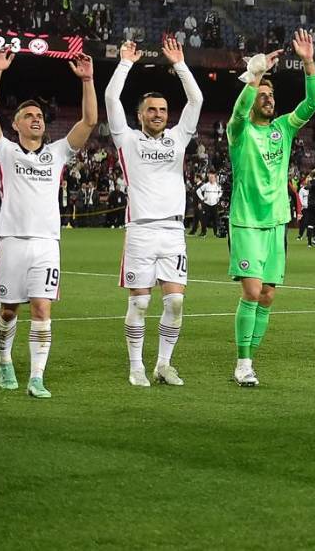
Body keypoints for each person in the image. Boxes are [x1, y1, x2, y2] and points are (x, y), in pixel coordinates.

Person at [0, 48, 97, 398]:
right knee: (8, 310)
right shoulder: (5, 151)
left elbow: (89, 122)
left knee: (42, 307)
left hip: (47, 243)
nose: (36, 119)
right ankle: (4, 361)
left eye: (40, 116)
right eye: (28, 115)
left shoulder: (57, 152)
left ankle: (36, 376)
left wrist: (89, 80)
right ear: (14, 124)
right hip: (12, 240)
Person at [106, 37, 203, 387]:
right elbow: (110, 99)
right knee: (141, 304)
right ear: (140, 115)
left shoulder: (178, 139)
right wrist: (125, 63)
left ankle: (163, 364)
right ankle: (136, 367)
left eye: (162, 110)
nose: (158, 114)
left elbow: (197, 100)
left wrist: (180, 64)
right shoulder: (127, 140)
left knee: (175, 301)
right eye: (152, 110)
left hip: (174, 232)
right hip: (141, 231)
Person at [228, 30, 315, 388]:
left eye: (270, 94)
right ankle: (243, 361)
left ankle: (251, 356)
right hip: (247, 222)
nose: (268, 99)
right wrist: (253, 78)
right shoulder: (238, 132)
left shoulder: (283, 128)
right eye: (262, 96)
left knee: (268, 295)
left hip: (277, 223)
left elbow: (312, 103)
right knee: (251, 292)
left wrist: (309, 63)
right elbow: (239, 109)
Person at [193, 172, 223, 237]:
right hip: (207, 204)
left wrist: (218, 197)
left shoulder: (217, 186)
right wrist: (202, 198)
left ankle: (216, 233)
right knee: (204, 219)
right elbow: (198, 191)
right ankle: (203, 232)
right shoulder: (206, 185)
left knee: (215, 219)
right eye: (209, 177)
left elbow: (221, 192)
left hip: (214, 204)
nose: (210, 179)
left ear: (215, 178)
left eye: (212, 177)